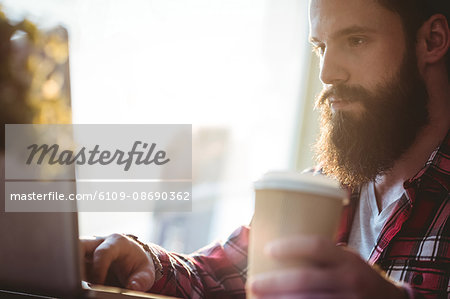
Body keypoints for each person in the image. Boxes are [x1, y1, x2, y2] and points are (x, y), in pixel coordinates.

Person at [81, 0, 450, 298]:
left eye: (356, 40)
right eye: (321, 47)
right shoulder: (322, 189)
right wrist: (145, 260)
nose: (328, 72)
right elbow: (214, 277)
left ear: (432, 40)